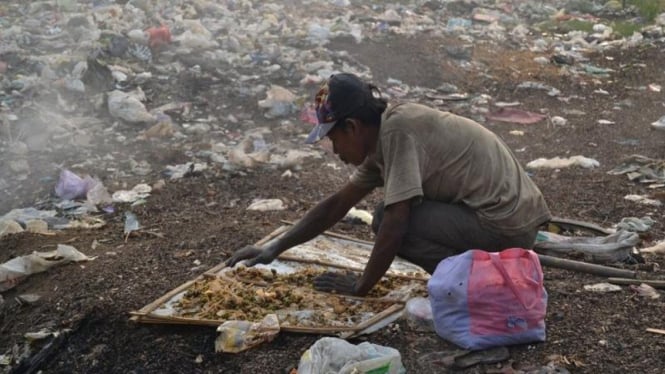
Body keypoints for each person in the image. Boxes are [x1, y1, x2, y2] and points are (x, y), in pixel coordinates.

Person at [226, 73, 552, 296]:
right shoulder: (381, 139)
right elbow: (337, 205)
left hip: (507, 223)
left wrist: (361, 286)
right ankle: (479, 276)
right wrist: (274, 248)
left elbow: (396, 221)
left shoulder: (397, 132)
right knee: (387, 217)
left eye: (334, 139)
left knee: (387, 218)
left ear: (352, 127)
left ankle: (481, 284)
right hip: (505, 217)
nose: (335, 151)